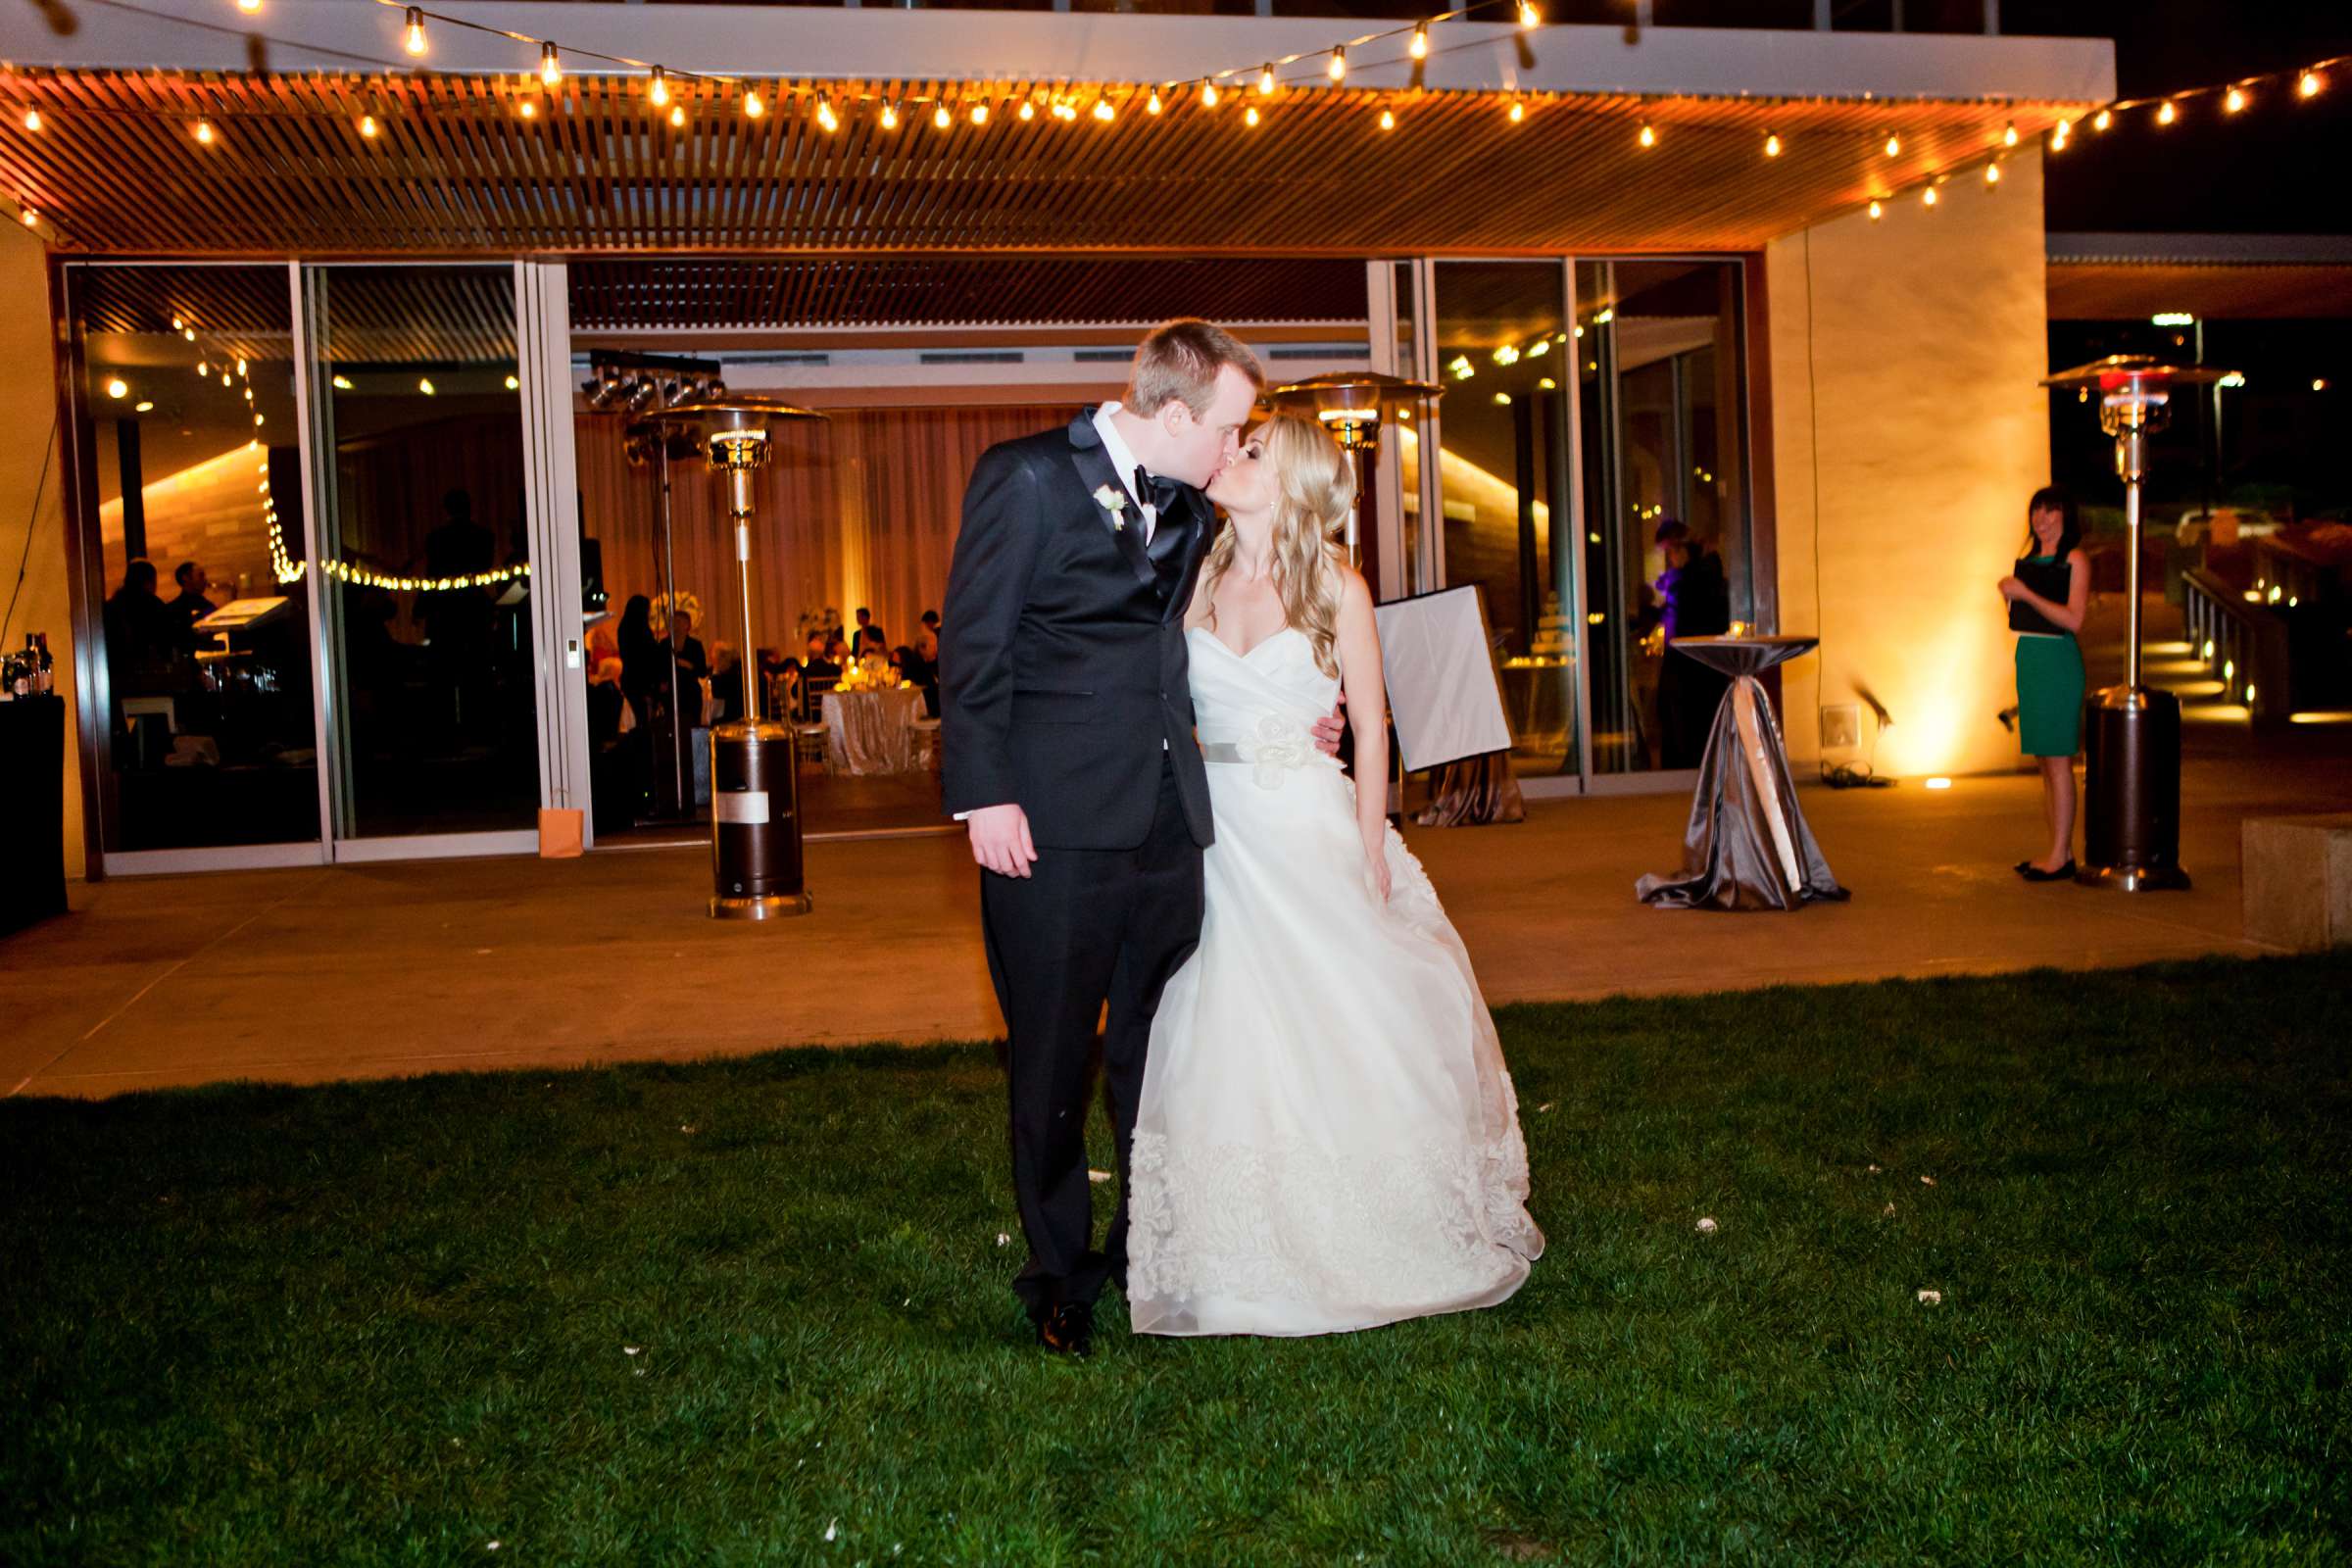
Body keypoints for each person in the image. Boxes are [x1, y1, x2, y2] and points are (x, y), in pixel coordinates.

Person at [941, 318, 1344, 1357]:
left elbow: (1215, 635)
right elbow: (974, 646)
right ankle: (1058, 1275)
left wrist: (1303, 712)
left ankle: (1146, 1250)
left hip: (1171, 824)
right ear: (1174, 415)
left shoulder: (1189, 507)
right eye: (1231, 429)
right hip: (1052, 829)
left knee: (1160, 1054)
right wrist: (984, 795)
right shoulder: (1024, 478)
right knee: (1053, 1058)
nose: (1237, 449)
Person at [1125, 414, 1544, 1338]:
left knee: (1343, 1017)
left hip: (1308, 828)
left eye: (1252, 451)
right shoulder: (1194, 577)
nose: (1230, 457)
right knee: (1223, 1021)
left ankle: (1371, 1230)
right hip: (1216, 834)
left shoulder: (1337, 586)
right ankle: (1233, 1252)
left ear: (1295, 480)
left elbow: (1374, 728)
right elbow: (1159, 695)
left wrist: (1369, 844)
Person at [1999, 485, 2089, 882]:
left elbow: (2073, 619)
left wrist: (2026, 595)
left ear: (2065, 517)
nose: (2042, 518)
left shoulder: (2075, 560)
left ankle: (2060, 856)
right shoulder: (2030, 562)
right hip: (2031, 660)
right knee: (2044, 762)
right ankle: (2059, 850)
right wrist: (2013, 599)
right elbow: (2026, 616)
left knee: (2058, 761)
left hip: (2058, 662)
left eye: (2051, 511)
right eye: (2037, 511)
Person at [1652, 517, 1732, 769]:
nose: (1670, 559)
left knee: (1689, 717)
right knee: (1685, 715)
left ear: (1680, 549)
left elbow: (1696, 616)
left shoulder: (1697, 579)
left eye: (1670, 552)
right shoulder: (1698, 575)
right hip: (1693, 657)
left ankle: (1688, 765)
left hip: (1694, 658)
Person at [668, 607, 710, 729]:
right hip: (671, 694)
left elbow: (702, 672)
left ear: (687, 625)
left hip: (690, 694)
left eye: (679, 622)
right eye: (673, 622)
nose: (675, 626)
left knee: (691, 727)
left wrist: (689, 665)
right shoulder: (665, 644)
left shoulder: (695, 645)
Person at [166, 562, 217, 634]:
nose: (205, 580)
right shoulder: (173, 611)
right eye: (201, 576)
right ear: (186, 579)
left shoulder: (206, 604)